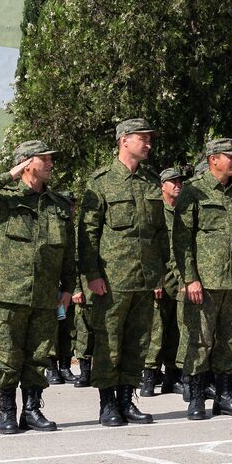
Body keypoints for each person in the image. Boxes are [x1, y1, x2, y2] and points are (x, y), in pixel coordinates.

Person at [0, 141, 76, 434]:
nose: (50, 163)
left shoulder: (57, 205)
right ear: (26, 163)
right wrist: (9, 174)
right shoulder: (3, 202)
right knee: (8, 358)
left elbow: (68, 252)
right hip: (10, 296)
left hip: (45, 296)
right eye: (44, 159)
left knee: (37, 357)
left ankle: (31, 411)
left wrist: (68, 288)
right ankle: (7, 413)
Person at [79, 118, 167, 427]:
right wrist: (92, 275)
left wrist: (161, 272)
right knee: (109, 342)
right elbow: (87, 234)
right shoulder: (101, 181)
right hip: (112, 279)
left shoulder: (151, 181)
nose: (148, 144)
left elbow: (160, 233)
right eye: (143, 138)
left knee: (137, 341)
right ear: (124, 140)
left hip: (144, 278)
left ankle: (127, 400)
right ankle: (107, 404)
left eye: (149, 138)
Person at [173, 137, 232, 420]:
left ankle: (224, 396)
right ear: (214, 159)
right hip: (205, 282)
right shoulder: (193, 191)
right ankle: (197, 397)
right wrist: (190, 279)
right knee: (200, 340)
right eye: (230, 157)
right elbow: (182, 239)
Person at [141, 166, 186, 397]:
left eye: (180, 182)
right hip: (162, 276)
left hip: (180, 278)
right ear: (162, 186)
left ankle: (172, 376)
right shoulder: (157, 211)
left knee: (177, 330)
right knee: (157, 329)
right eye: (173, 182)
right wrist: (156, 280)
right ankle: (149, 375)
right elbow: (149, 247)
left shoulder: (183, 211)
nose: (178, 185)